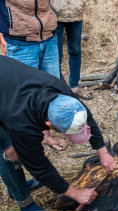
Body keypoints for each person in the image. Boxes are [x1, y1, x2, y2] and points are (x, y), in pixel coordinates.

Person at [0, 55, 116, 211]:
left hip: (7, 83)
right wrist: (76, 193)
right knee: (10, 150)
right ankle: (25, 205)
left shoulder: (60, 91)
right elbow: (39, 166)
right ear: (48, 124)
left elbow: (86, 115)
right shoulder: (23, 124)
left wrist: (102, 150)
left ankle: (16, 185)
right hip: (9, 100)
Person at [0, 0, 67, 151]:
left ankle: (46, 134)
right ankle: (27, 143)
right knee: (24, 98)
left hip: (48, 37)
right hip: (20, 40)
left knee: (51, 90)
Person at [51, 0, 93, 100]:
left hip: (76, 13)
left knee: (75, 51)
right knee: (56, 54)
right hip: (55, 15)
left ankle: (74, 86)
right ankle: (58, 87)